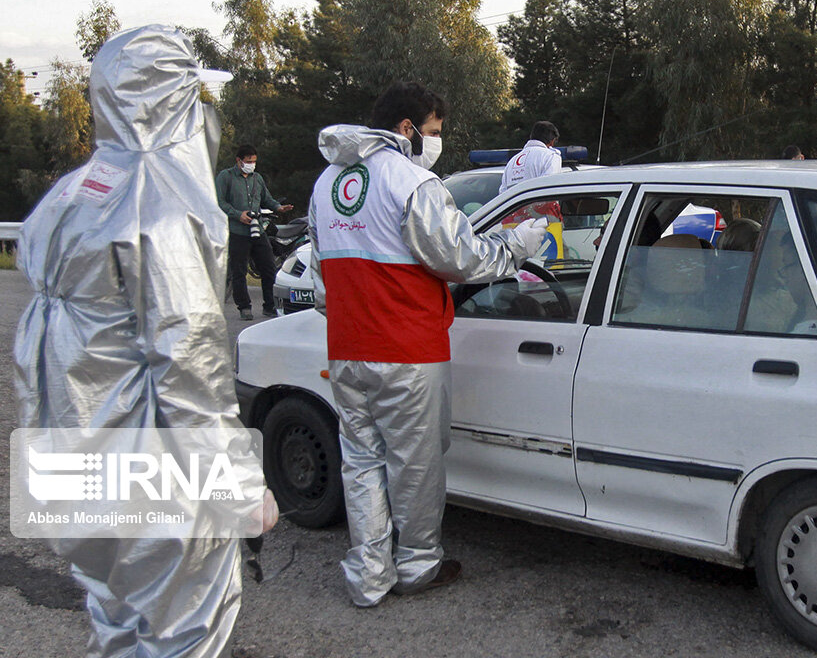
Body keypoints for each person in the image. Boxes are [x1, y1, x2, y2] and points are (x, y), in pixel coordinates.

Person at [13, 25, 273, 658]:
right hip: (156, 476)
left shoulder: (72, 196)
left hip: (75, 462)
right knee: (187, 637)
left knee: (117, 623)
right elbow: (189, 372)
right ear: (173, 104)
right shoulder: (164, 208)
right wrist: (240, 489)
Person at [308, 81, 548, 609]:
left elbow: (322, 273)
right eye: (434, 132)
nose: (436, 142)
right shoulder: (413, 183)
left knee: (363, 463)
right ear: (407, 128)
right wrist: (518, 245)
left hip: (347, 348)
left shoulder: (327, 183)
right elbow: (461, 259)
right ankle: (417, 566)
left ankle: (368, 574)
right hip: (409, 351)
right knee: (414, 464)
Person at [216, 144, 293, 320]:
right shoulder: (226, 177)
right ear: (239, 160)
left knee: (268, 267)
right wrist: (237, 215)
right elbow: (219, 202)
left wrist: (279, 207)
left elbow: (266, 199)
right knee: (239, 271)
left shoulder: (257, 178)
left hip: (258, 230)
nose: (251, 164)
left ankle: (269, 305)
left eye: (254, 161)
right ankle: (244, 306)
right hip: (237, 231)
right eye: (248, 161)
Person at [499, 120, 562, 193]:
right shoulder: (550, 157)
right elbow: (549, 190)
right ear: (552, 141)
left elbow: (502, 193)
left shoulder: (512, 162)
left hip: (514, 204)